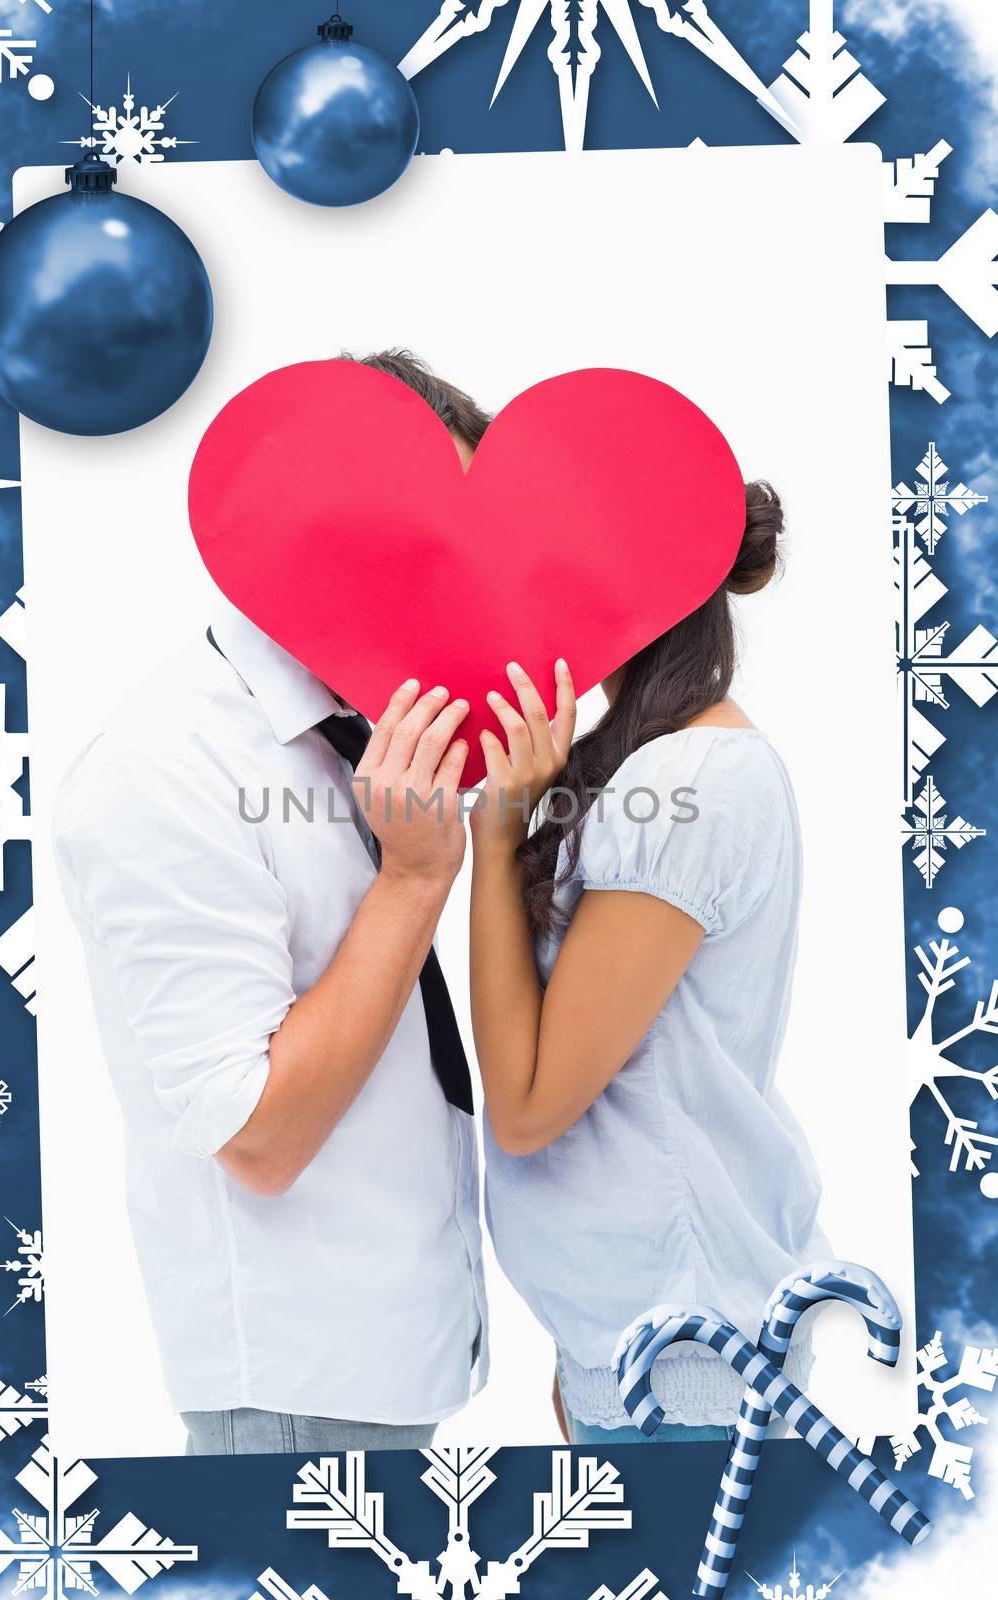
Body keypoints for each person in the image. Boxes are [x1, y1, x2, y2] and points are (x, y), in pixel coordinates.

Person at [53, 351, 491, 1456]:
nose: (460, 573)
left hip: (389, 1360)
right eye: (424, 532)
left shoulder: (369, 727)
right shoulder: (163, 768)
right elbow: (257, 1133)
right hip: (300, 1390)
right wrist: (413, 878)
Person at [470, 481, 830, 1444]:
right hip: (634, 1343)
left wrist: (493, 841)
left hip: (684, 1358)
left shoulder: (683, 780)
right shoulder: (659, 763)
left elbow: (529, 1105)